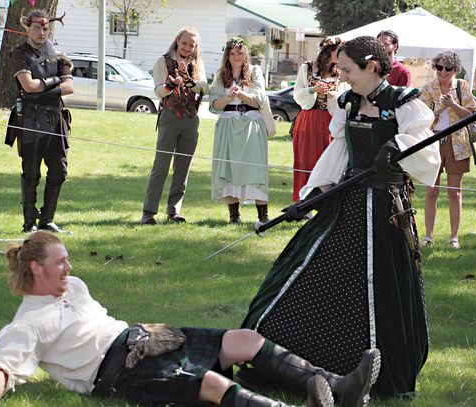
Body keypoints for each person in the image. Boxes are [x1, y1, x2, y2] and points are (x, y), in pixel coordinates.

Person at [241, 36, 441, 399]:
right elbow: (339, 151)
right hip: (345, 205)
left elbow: (428, 155)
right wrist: (315, 193)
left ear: (373, 68)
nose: (343, 77)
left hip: (384, 212)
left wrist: (397, 147)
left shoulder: (404, 103)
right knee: (304, 276)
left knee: (373, 289)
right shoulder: (347, 103)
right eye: (340, 69)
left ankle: (369, 374)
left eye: (348, 70)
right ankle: (288, 363)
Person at [0, 231, 381, 407]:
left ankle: (340, 388)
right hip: (117, 373)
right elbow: (2, 368)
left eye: (67, 261)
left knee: (243, 339)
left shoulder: (74, 286)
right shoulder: (26, 324)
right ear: (34, 270)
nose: (69, 268)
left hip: (144, 337)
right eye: (60, 263)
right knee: (209, 383)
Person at [5, 9, 73, 234]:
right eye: (37, 27)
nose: (42, 32)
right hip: (31, 118)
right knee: (31, 172)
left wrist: (43, 86)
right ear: (28, 27)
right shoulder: (20, 53)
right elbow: (28, 86)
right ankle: (29, 223)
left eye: (45, 28)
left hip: (55, 118)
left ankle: (47, 220)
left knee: (59, 171)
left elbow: (69, 87)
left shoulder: (58, 54)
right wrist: (54, 83)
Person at [141, 27, 209, 225]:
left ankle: (174, 211)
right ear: (178, 40)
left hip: (191, 118)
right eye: (185, 43)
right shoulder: (163, 61)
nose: (188, 48)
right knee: (161, 166)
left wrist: (190, 82)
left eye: (192, 45)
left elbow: (205, 88)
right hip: (170, 116)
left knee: (183, 167)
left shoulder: (197, 64)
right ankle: (148, 212)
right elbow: (158, 91)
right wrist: (171, 85)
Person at [419, 51, 476, 249]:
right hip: (432, 142)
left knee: (455, 193)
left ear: (455, 70)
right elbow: (422, 121)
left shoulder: (462, 87)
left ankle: (454, 237)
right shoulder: (427, 89)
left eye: (446, 68)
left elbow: (471, 115)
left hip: (458, 144)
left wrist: (453, 105)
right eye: (438, 67)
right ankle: (428, 236)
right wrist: (440, 110)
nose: (441, 72)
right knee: (431, 191)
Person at [210, 38, 270, 224]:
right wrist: (228, 97)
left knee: (255, 168)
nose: (236, 57)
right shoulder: (221, 75)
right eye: (232, 53)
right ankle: (234, 217)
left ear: (246, 55)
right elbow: (214, 105)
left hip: (251, 123)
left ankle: (263, 216)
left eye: (240, 52)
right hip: (228, 124)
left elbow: (258, 100)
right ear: (227, 56)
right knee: (228, 168)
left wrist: (240, 94)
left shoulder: (255, 72)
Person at [291, 37, 347, 202]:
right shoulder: (307, 67)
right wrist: (313, 89)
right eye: (340, 50)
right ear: (330, 51)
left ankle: (326, 202)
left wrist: (332, 94)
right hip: (307, 120)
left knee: (327, 162)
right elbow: (297, 94)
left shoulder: (342, 71)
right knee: (305, 161)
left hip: (330, 120)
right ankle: (303, 203)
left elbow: (345, 97)